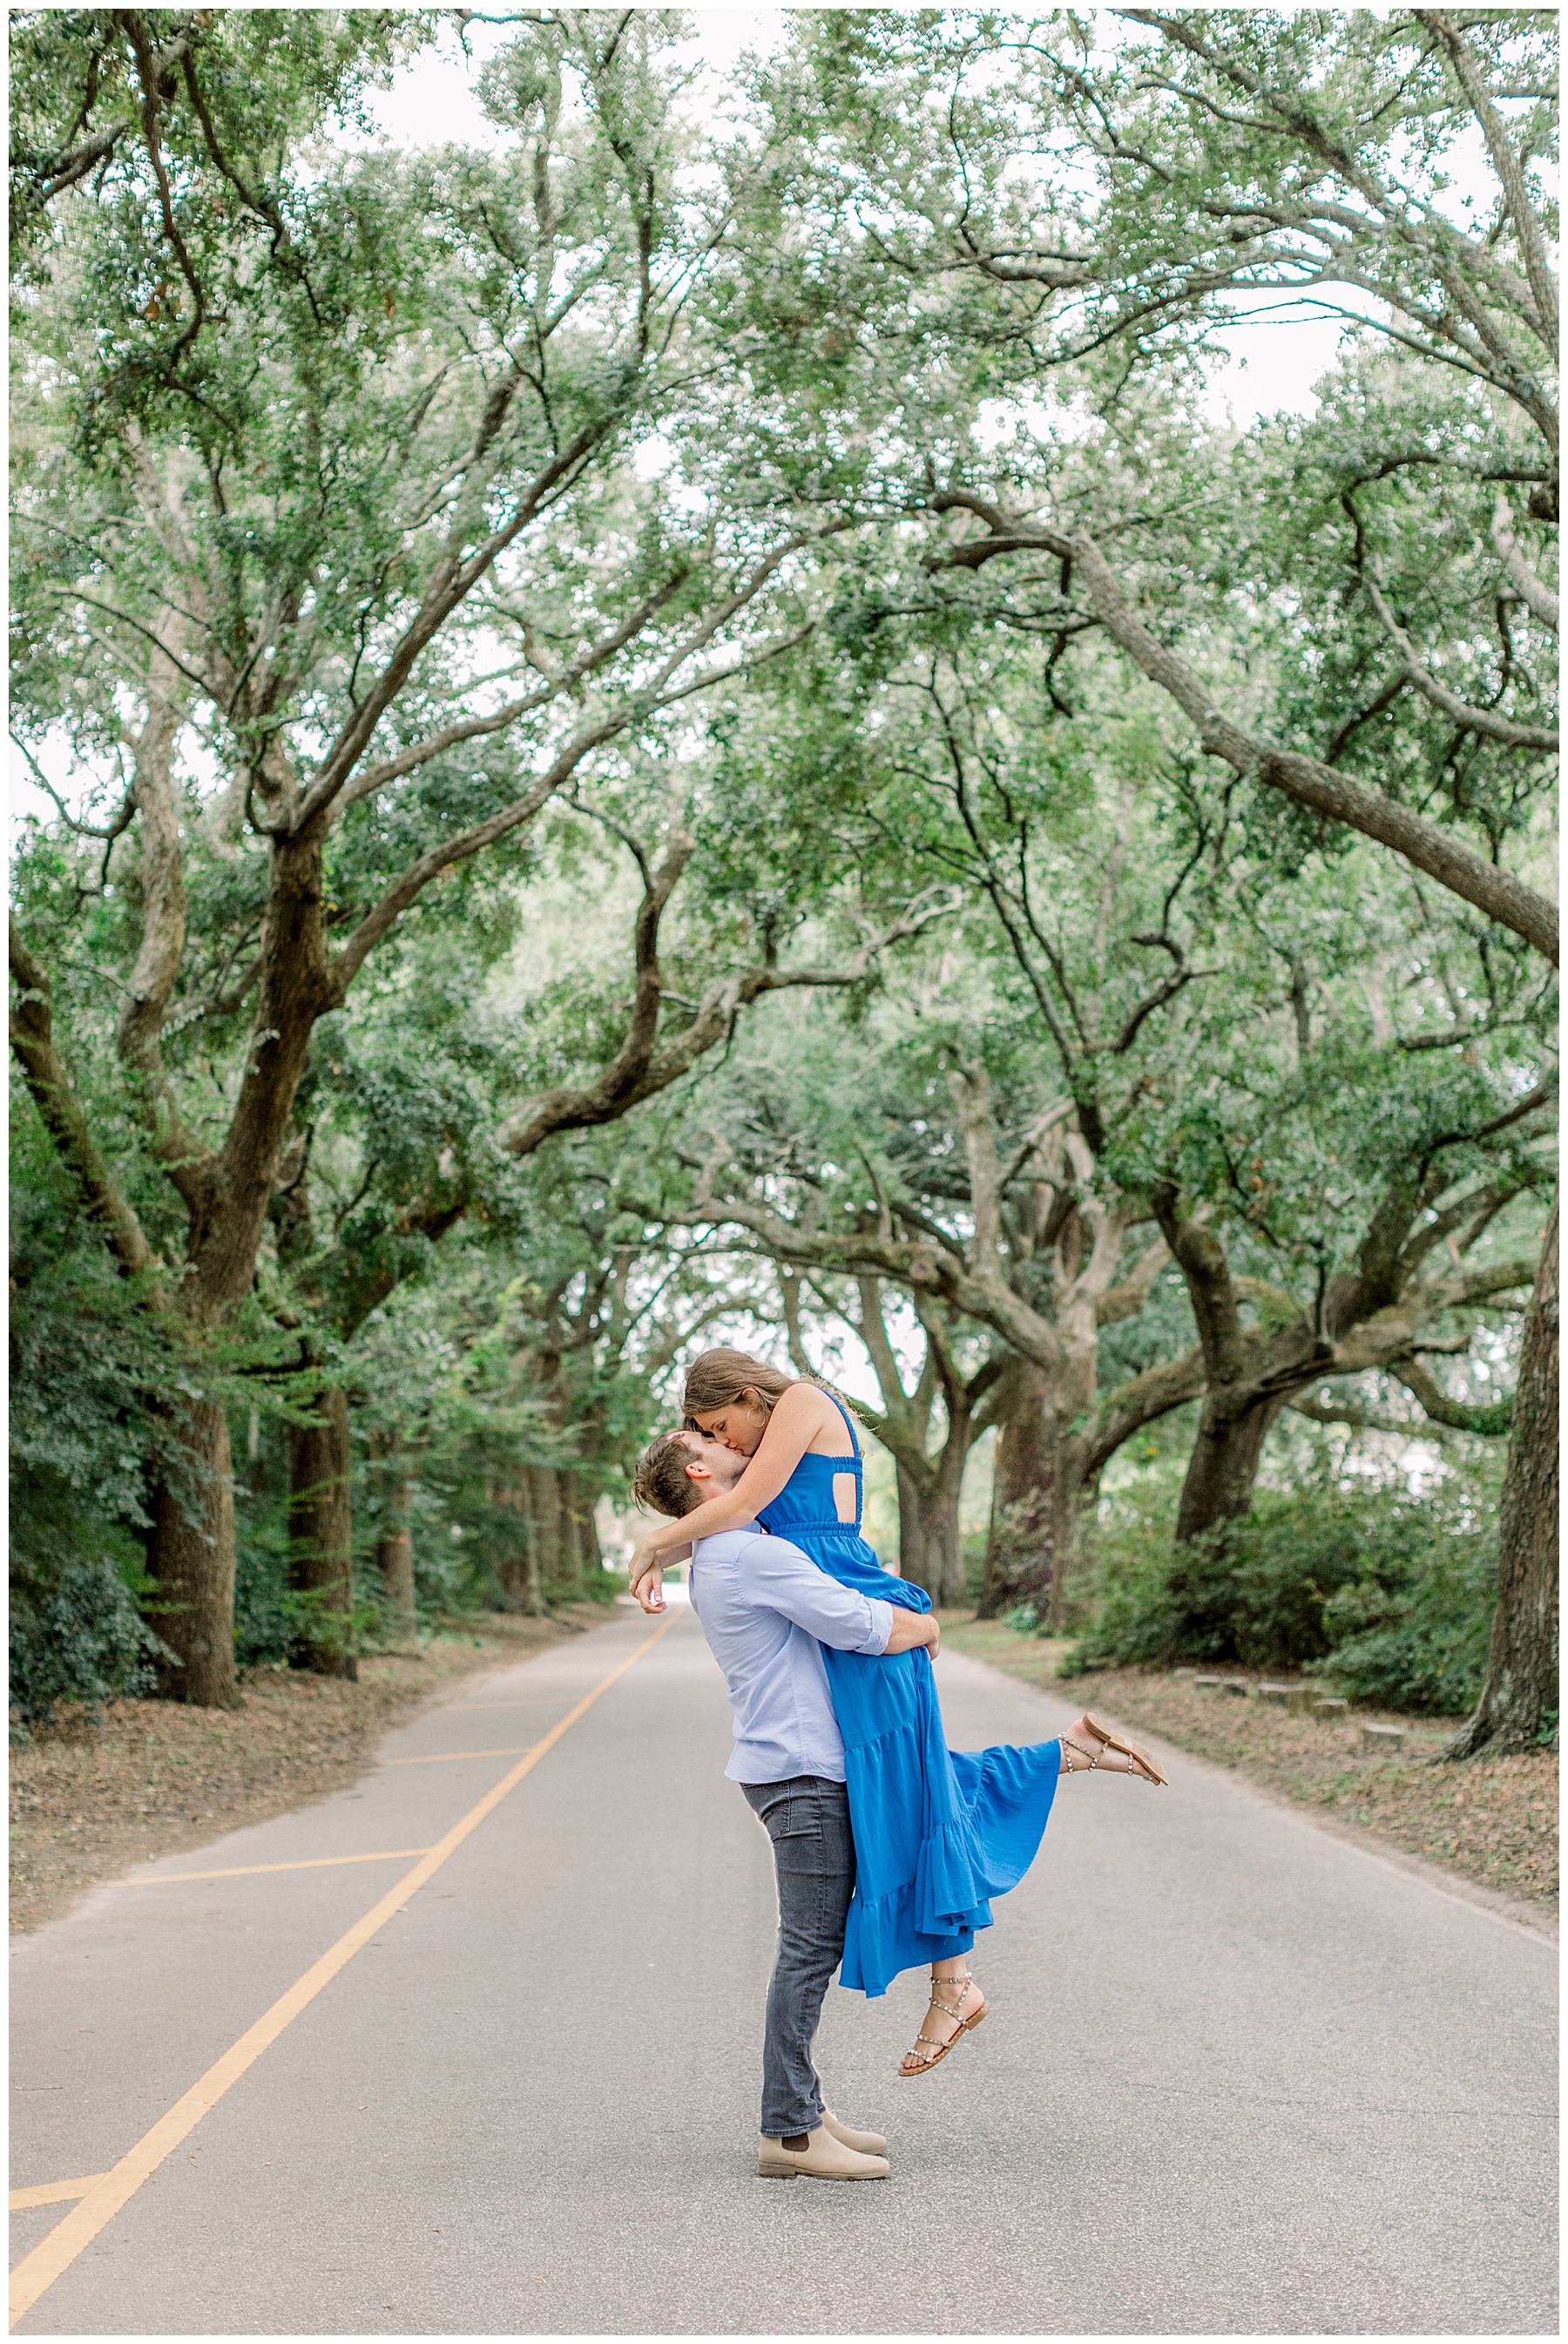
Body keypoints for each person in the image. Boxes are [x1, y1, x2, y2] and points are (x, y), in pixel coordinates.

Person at [630, 1351, 1167, 2165]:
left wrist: (659, 1546)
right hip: (805, 1755)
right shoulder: (753, 1548)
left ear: (741, 1397)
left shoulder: (750, 1521)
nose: (729, 1442)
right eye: (710, 1439)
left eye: (715, 1426)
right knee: (824, 1926)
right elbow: (855, 1621)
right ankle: (794, 2125)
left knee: (924, 1788)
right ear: (702, 1473)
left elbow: (746, 1512)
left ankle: (856, 2065)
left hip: (806, 1738)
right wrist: (926, 1626)